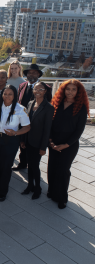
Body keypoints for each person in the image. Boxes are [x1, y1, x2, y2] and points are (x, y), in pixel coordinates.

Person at [48, 79, 89, 209]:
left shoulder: (81, 107)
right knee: (52, 168)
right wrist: (51, 142)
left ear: (78, 91)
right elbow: (50, 124)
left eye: (73, 89)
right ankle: (52, 191)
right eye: (68, 89)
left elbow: (79, 131)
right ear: (63, 90)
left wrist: (65, 145)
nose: (70, 92)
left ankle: (62, 197)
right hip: (54, 142)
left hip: (69, 145)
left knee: (63, 170)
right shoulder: (57, 103)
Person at [0, 85, 31, 202]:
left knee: (6, 166)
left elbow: (27, 127)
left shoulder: (20, 109)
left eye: (10, 94)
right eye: (5, 94)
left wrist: (16, 133)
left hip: (11, 140)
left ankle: (3, 191)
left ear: (15, 96)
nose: (7, 96)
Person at [13, 64, 51, 171]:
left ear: (38, 74)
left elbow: (48, 105)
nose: (31, 74)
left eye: (34, 72)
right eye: (29, 72)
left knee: (33, 145)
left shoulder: (46, 88)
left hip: (36, 121)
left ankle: (33, 167)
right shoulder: (22, 86)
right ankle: (22, 163)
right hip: (22, 120)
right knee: (22, 143)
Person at [20, 82, 54, 200]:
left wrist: (43, 147)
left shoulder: (49, 108)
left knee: (35, 166)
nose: (37, 91)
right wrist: (23, 140)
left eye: (41, 89)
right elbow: (25, 123)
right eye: (35, 89)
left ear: (45, 91)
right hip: (28, 140)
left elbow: (47, 129)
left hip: (38, 142)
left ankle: (38, 188)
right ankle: (30, 186)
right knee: (30, 165)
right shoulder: (30, 103)